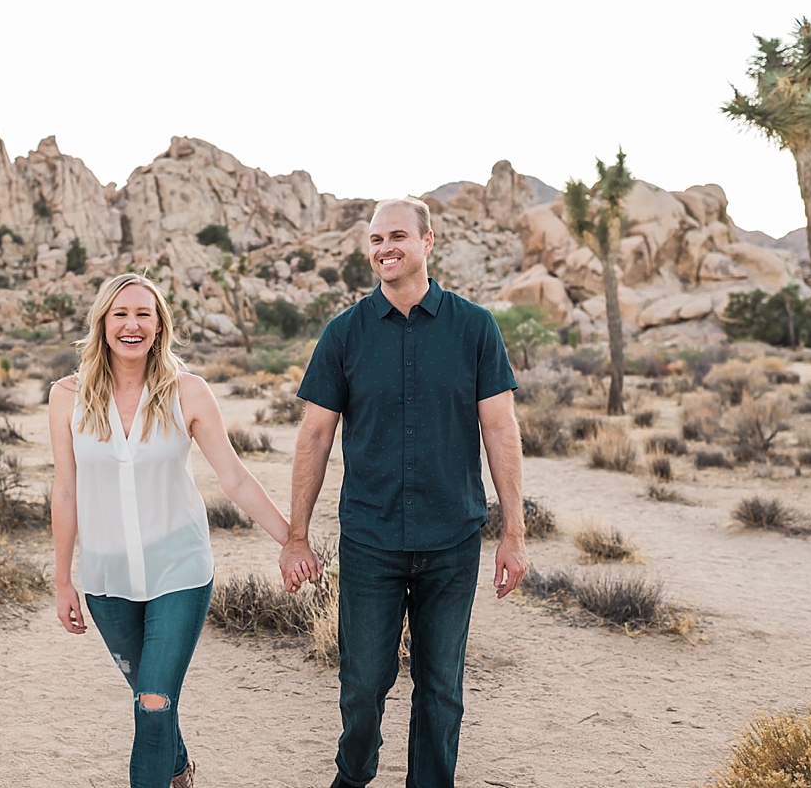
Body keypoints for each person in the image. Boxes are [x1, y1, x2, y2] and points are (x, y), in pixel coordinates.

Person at [280, 197, 528, 788]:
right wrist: (296, 536)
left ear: (427, 241)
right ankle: (354, 773)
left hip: (453, 537)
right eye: (374, 240)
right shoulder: (344, 333)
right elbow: (314, 436)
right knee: (362, 683)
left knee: (442, 687)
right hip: (370, 538)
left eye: (396, 236)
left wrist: (514, 531)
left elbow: (500, 428)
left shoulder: (474, 327)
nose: (384, 248)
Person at [48, 273, 310, 788]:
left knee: (152, 703)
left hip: (179, 574)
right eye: (120, 314)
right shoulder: (67, 397)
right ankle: (179, 772)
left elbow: (233, 475)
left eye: (144, 314)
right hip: (107, 582)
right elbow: (65, 491)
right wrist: (62, 581)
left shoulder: (188, 392)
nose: (132, 324)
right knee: (152, 700)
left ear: (160, 325)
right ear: (102, 323)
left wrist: (291, 539)